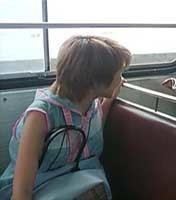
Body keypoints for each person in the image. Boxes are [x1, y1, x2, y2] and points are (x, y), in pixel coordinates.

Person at [0, 35, 131, 199]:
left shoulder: (93, 104)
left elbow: (90, 134)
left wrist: (110, 98)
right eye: (118, 74)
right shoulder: (40, 116)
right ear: (94, 81)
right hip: (40, 188)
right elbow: (22, 191)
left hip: (81, 183)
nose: (121, 79)